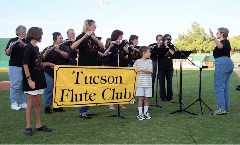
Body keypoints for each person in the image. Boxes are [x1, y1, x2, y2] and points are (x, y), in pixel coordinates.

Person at [22, 27, 54, 136]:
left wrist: (49, 64)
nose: (42, 36)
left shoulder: (36, 48)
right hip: (32, 79)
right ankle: (28, 126)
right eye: (41, 34)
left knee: (38, 103)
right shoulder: (28, 48)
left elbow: (38, 63)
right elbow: (25, 64)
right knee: (30, 103)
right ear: (36, 34)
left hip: (40, 78)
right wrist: (29, 80)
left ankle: (39, 125)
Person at [71, 19, 104, 119]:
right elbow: (73, 46)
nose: (95, 28)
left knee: (90, 88)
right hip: (83, 66)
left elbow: (103, 47)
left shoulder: (95, 37)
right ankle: (82, 111)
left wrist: (96, 39)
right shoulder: (81, 36)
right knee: (83, 88)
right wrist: (84, 36)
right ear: (88, 26)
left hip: (93, 65)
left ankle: (87, 109)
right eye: (94, 26)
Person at [42, 32, 70, 114]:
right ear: (55, 40)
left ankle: (58, 106)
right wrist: (47, 52)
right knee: (49, 89)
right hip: (49, 72)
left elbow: (67, 56)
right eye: (60, 38)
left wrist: (58, 51)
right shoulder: (49, 48)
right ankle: (47, 107)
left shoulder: (64, 47)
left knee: (59, 89)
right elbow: (42, 58)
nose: (62, 39)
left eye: (62, 38)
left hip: (61, 73)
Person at [209, 27, 234, 115]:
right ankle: (225, 108)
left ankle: (221, 108)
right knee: (225, 87)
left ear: (222, 34)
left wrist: (213, 37)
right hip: (228, 63)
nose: (216, 34)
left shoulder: (224, 42)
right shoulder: (227, 42)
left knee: (219, 86)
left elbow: (220, 46)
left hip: (222, 63)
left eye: (217, 33)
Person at [5, 25, 28, 110]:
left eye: (25, 31)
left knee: (23, 85)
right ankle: (13, 103)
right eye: (23, 32)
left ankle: (23, 102)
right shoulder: (12, 40)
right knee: (15, 85)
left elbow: (30, 50)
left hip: (25, 66)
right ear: (18, 33)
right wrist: (11, 47)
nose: (25, 33)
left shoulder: (27, 41)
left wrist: (23, 43)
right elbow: (7, 53)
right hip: (15, 66)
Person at [104, 30, 128, 109]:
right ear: (116, 36)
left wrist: (122, 45)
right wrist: (111, 46)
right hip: (113, 67)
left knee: (120, 86)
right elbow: (105, 54)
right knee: (112, 86)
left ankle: (120, 103)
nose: (122, 37)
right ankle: (111, 104)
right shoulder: (111, 44)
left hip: (121, 67)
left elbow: (127, 52)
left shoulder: (121, 46)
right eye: (120, 36)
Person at [133, 46, 153, 120]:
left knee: (147, 98)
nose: (150, 53)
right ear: (144, 53)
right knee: (141, 98)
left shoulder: (149, 61)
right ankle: (140, 113)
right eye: (149, 52)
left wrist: (141, 70)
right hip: (140, 83)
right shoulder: (137, 61)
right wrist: (136, 70)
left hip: (148, 83)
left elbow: (150, 71)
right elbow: (134, 70)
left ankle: (146, 113)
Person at [158, 34, 175, 102]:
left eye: (169, 39)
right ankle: (163, 97)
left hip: (169, 67)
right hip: (161, 67)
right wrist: (160, 45)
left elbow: (173, 53)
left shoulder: (171, 46)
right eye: (167, 39)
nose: (168, 40)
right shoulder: (161, 46)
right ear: (164, 39)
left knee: (169, 83)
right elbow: (157, 54)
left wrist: (167, 46)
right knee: (161, 83)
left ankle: (169, 97)